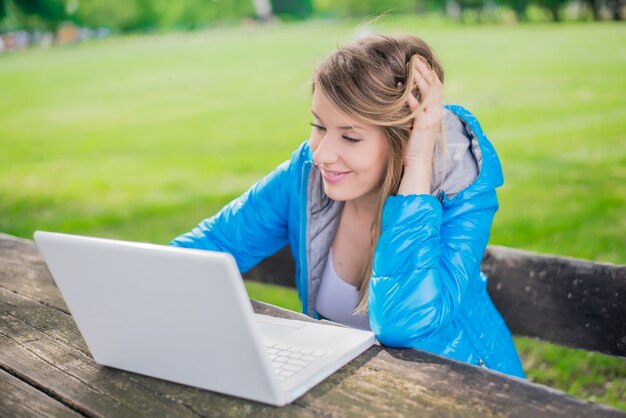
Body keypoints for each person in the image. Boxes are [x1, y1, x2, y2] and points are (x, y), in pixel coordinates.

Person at [170, 34, 525, 378]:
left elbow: (402, 323)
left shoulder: (461, 195)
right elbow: (214, 244)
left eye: (350, 137)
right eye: (319, 126)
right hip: (355, 391)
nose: (322, 154)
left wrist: (416, 165)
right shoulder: (306, 174)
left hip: (472, 394)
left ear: (404, 138)